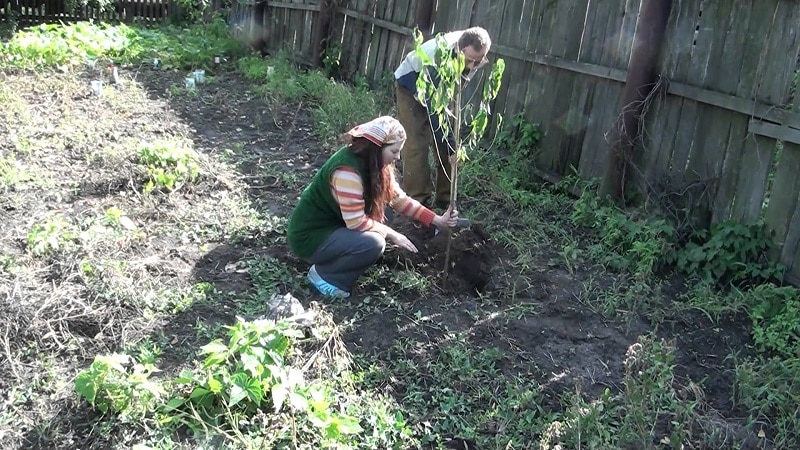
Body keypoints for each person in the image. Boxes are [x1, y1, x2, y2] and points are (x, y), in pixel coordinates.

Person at [286, 116, 459, 299]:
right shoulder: (347, 172)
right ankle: (325, 277)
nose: (397, 157)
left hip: (334, 226)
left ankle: (346, 256)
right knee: (374, 243)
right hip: (310, 237)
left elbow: (399, 199)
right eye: (394, 151)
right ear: (377, 147)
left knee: (385, 215)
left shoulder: (375, 164)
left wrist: (437, 220)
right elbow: (355, 223)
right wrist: (393, 234)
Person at [394, 26, 492, 208]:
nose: (471, 67)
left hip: (441, 89)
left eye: (477, 62)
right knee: (416, 144)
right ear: (458, 49)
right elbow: (435, 110)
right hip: (411, 84)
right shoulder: (436, 57)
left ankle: (446, 200)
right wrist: (450, 147)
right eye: (469, 60)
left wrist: (450, 145)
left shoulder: (473, 50)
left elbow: (448, 98)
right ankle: (418, 201)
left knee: (450, 142)